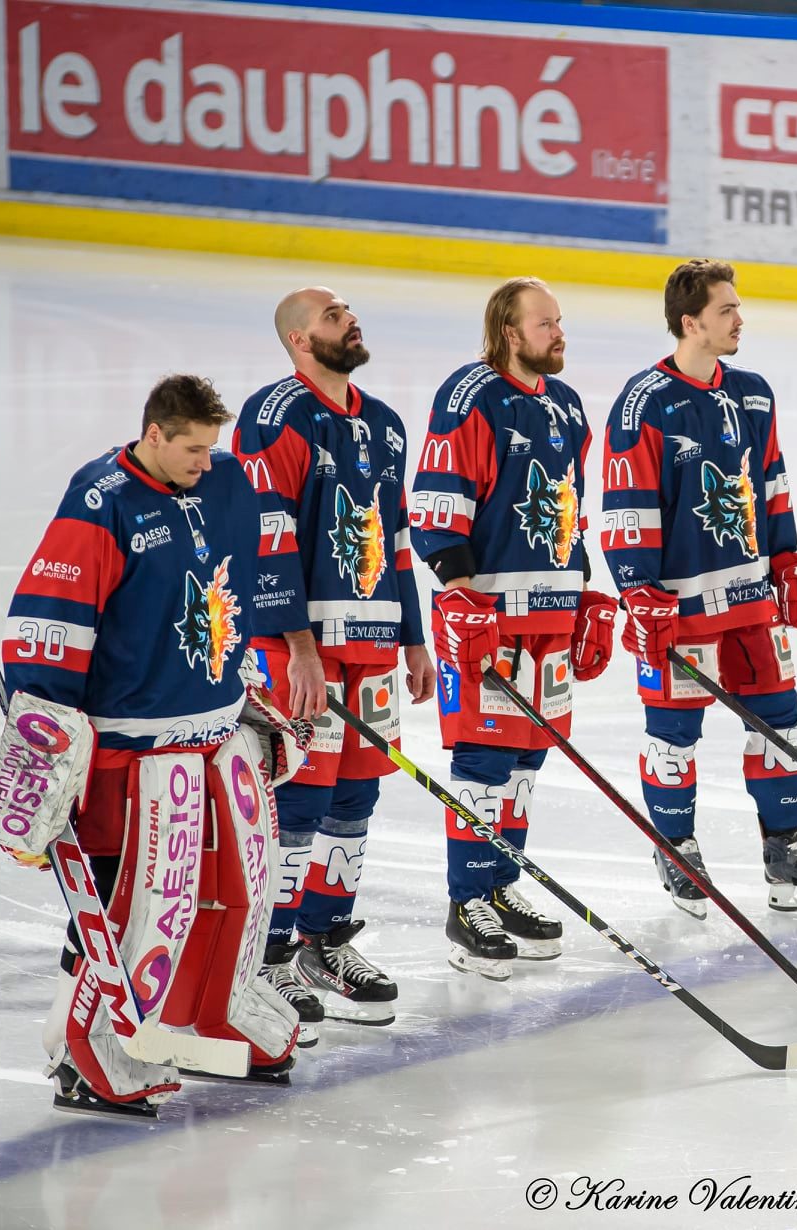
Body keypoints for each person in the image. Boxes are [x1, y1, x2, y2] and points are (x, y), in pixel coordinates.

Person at [0, 374, 303, 1116]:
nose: (206, 461)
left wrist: (265, 671)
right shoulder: (101, 501)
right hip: (132, 755)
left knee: (239, 891)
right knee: (128, 902)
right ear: (154, 434)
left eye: (211, 447)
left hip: (216, 734)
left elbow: (251, 580)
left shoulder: (225, 481)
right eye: (192, 449)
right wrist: (44, 745)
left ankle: (219, 1009)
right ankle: (81, 1050)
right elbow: (48, 628)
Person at [601, 259, 797, 914]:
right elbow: (627, 506)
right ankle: (676, 845)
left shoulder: (753, 393)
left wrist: (788, 559)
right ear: (691, 323)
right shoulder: (644, 403)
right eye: (726, 310)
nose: (740, 319)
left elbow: (771, 483)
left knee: (778, 723)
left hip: (751, 601)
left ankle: (785, 849)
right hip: (680, 608)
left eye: (738, 308)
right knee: (674, 733)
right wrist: (639, 592)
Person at [233, 288, 435, 1032]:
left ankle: (325, 941)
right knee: (298, 802)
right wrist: (298, 647)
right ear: (298, 339)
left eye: (349, 313)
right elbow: (268, 535)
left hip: (373, 649)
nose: (350, 322)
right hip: (301, 652)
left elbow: (396, 536)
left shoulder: (384, 422)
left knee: (355, 799)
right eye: (332, 316)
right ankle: (269, 955)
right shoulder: (275, 415)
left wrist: (414, 637)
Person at [409, 277, 617, 980]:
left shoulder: (567, 404)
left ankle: (500, 884)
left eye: (559, 322)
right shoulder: (471, 395)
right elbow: (438, 505)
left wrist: (582, 590)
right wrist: (460, 597)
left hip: (552, 616)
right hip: (491, 619)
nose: (559, 334)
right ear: (509, 332)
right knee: (484, 761)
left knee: (529, 760)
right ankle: (467, 903)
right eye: (545, 324)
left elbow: (569, 508)